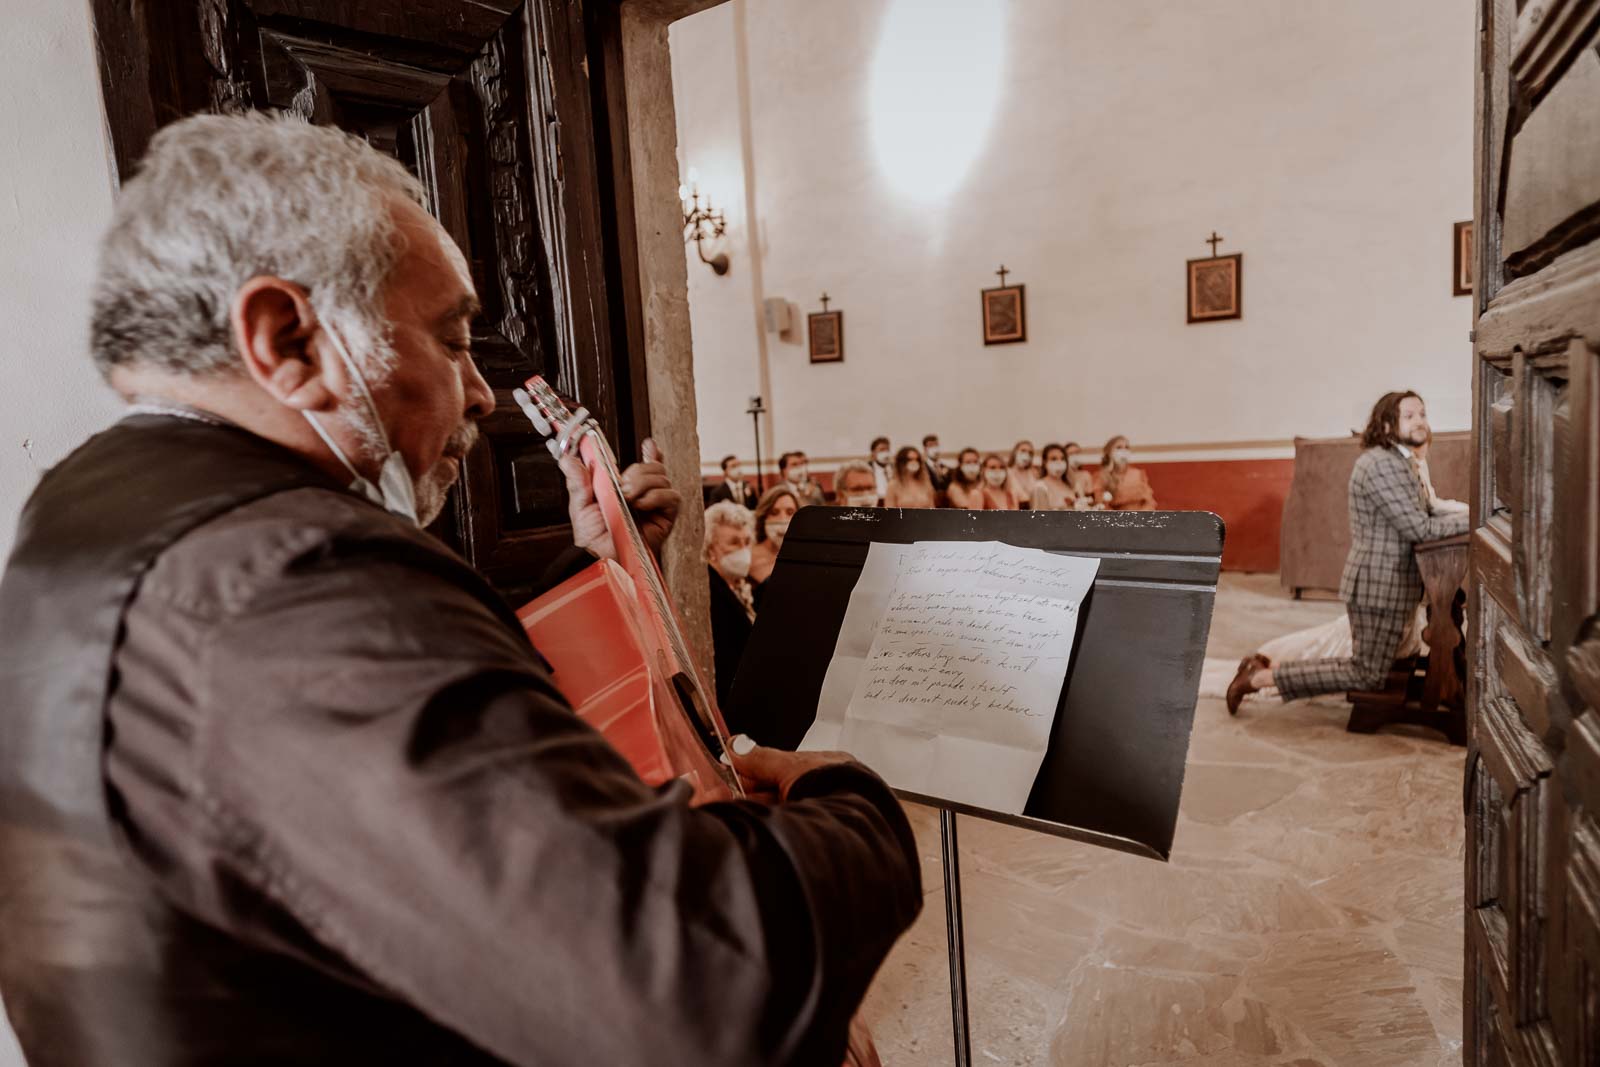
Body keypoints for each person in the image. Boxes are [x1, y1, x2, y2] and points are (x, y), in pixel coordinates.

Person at [0, 113, 921, 1067]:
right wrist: (852, 807)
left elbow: (365, 790)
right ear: (286, 339)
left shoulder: (89, 513)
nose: (480, 392)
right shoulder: (298, 577)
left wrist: (599, 564)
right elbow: (686, 981)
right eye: (451, 338)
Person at [1227, 391, 1472, 713]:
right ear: (1386, 425)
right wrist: (1475, 521)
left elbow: (1428, 510)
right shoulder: (1383, 465)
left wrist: (1469, 517)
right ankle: (1259, 678)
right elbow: (1419, 528)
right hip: (1379, 586)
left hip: (1392, 585)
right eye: (1409, 416)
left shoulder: (1401, 462)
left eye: (1423, 414)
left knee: (1375, 668)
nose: (1420, 422)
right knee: (1366, 673)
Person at [704, 501, 758, 707]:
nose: (743, 550)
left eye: (747, 541)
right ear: (710, 550)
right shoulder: (712, 591)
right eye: (734, 542)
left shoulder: (737, 586)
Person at [750, 483, 800, 588]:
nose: (783, 519)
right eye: (774, 512)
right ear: (764, 518)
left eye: (790, 512)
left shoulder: (806, 555)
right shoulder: (748, 557)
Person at [1092, 435, 1157, 510]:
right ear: (1109, 452)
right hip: (1116, 519)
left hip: (1141, 517)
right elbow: (1101, 505)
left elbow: (1149, 502)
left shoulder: (1138, 474)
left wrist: (1142, 517)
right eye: (1119, 447)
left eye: (1127, 447)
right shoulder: (1101, 476)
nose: (1123, 451)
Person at [1029, 443, 1081, 511]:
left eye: (1062, 459)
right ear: (1045, 462)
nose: (1059, 462)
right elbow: (1039, 517)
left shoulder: (1069, 484)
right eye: (1054, 459)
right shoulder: (1040, 487)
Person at [868, 435, 892, 504]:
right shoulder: (867, 469)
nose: (885, 453)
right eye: (882, 450)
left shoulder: (895, 468)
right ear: (873, 453)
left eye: (887, 450)